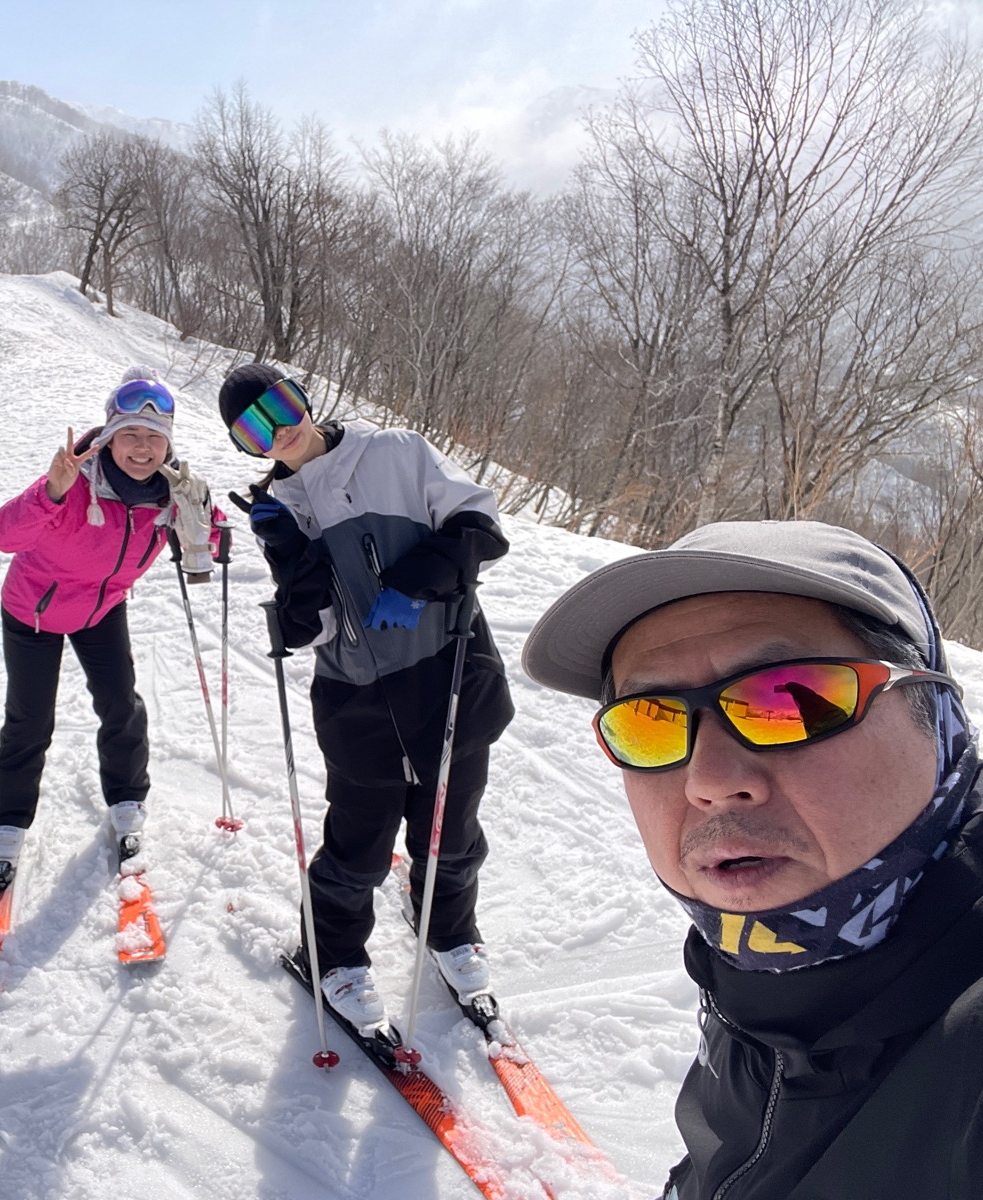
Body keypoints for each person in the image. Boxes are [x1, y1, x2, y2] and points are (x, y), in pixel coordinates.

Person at [522, 520, 983, 1200]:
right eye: (650, 721)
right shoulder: (755, 972)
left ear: (938, 717)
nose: (709, 781)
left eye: (792, 701)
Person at [218, 363, 515, 1032]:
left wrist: (414, 582)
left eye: (282, 406)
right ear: (246, 446)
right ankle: (331, 954)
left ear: (302, 397)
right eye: (254, 430)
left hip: (449, 674)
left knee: (451, 832)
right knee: (358, 847)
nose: (279, 430)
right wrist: (291, 555)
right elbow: (313, 627)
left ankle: (448, 928)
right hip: (358, 701)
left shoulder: (395, 452)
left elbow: (479, 524)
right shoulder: (283, 507)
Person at [0, 370, 218, 888]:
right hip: (34, 610)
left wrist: (203, 522)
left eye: (154, 436)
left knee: (121, 706)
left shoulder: (173, 490)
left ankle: (128, 801)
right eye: (130, 434)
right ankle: (8, 823)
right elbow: (3, 536)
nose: (142, 447)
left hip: (101, 609)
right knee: (29, 720)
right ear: (109, 436)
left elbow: (210, 543)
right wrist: (51, 492)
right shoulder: (73, 480)